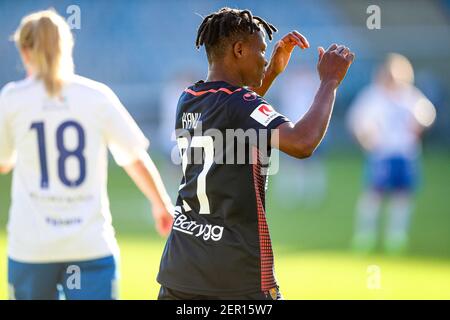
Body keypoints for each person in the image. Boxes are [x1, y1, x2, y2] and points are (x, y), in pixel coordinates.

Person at [157, 7, 354, 300]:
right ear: (239, 50)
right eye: (261, 51)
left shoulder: (189, 98)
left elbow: (236, 109)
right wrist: (329, 82)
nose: (265, 57)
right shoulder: (240, 104)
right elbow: (303, 142)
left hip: (181, 268)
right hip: (236, 273)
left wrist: (271, 70)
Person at [0, 10, 173, 300]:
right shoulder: (96, 95)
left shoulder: (13, 98)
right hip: (89, 244)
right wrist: (161, 204)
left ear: (25, 51)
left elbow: (4, 162)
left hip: (32, 246)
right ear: (66, 47)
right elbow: (133, 157)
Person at [347, 53, 436, 255]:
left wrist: (419, 127)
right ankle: (365, 236)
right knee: (373, 195)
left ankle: (396, 237)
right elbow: (357, 121)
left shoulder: (410, 96)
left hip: (405, 153)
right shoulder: (373, 96)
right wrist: (366, 140)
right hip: (382, 154)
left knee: (402, 196)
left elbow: (427, 115)